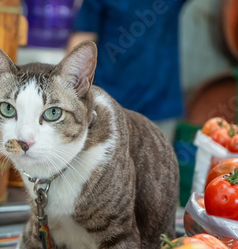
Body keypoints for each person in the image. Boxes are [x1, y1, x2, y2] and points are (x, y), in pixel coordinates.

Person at [68, 0, 186, 143]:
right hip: (110, 103)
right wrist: (70, 91)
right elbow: (83, 39)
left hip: (162, 104)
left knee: (159, 162)